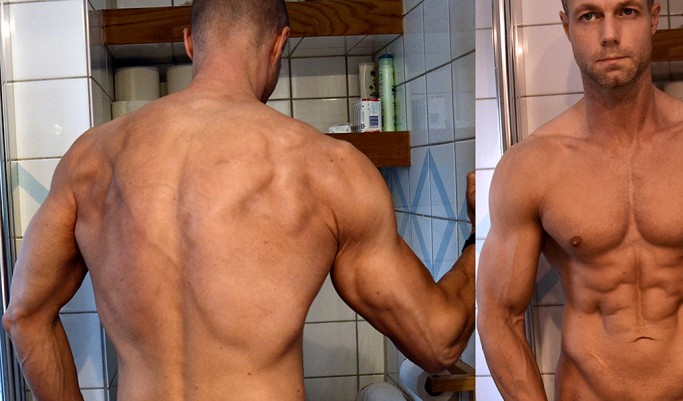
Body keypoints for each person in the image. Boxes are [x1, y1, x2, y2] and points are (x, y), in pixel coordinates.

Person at [2, 1, 476, 400]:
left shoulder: (90, 160)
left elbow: (24, 316)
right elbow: (438, 342)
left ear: (191, 43)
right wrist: (480, 237)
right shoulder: (327, 169)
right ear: (279, 45)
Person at [477, 0, 683, 400]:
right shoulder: (530, 167)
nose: (609, 34)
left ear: (654, 18)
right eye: (589, 15)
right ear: (566, 27)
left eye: (627, 11)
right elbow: (498, 315)